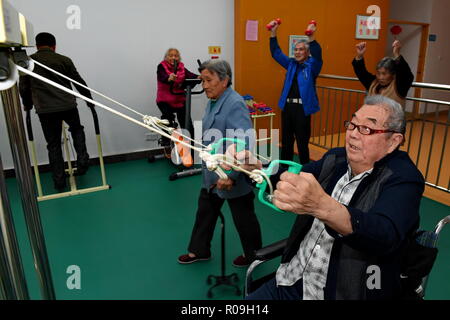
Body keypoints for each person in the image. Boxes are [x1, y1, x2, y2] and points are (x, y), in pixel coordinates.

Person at [228, 95, 425, 299]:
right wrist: (256, 168)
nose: (353, 135)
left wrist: (321, 205)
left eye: (367, 129)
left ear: (393, 141)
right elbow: (293, 176)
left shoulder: (404, 179)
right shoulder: (336, 158)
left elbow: (384, 235)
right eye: (353, 124)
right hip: (290, 279)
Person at [178, 59, 262, 268]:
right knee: (205, 211)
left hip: (230, 174)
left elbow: (243, 144)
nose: (204, 85)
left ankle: (256, 256)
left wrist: (231, 176)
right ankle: (199, 250)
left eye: (209, 80)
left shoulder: (234, 103)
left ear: (224, 80)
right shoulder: (214, 100)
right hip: (212, 171)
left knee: (244, 219)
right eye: (203, 80)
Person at [19, 32, 94, 191]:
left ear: (37, 46)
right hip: (68, 105)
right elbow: (78, 82)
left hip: (45, 110)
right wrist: (89, 100)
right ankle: (82, 160)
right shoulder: (64, 60)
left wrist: (27, 104)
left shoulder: (28, 62)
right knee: (76, 130)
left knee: (53, 144)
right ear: (54, 46)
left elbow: (24, 86)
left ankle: (59, 181)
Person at [269, 20, 323, 165]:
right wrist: (273, 33)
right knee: (286, 142)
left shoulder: (312, 66)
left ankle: (306, 171)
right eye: (296, 50)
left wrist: (311, 36)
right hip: (287, 108)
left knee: (302, 143)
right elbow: (276, 53)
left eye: (301, 49)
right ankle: (283, 170)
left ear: (307, 52)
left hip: (302, 109)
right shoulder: (291, 64)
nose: (298, 52)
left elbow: (318, 55)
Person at [156, 48, 199, 149]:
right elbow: (162, 76)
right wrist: (169, 78)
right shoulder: (161, 66)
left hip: (179, 99)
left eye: (176, 56)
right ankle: (167, 144)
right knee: (168, 120)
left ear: (179, 58)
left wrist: (199, 77)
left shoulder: (181, 67)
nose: (173, 57)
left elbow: (190, 75)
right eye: (171, 55)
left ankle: (192, 145)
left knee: (186, 121)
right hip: (164, 100)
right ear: (166, 57)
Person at [352, 40, 414, 107]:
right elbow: (361, 72)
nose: (380, 77)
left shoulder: (399, 86)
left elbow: (407, 75)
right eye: (378, 73)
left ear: (393, 74)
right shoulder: (373, 83)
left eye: (384, 74)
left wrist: (397, 54)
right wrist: (360, 55)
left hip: (391, 117)